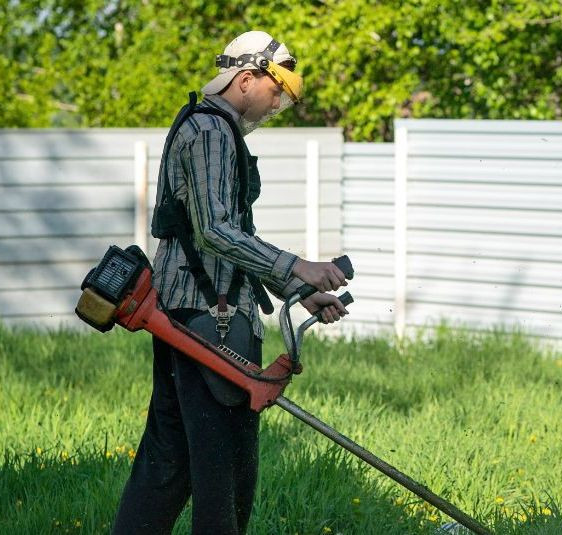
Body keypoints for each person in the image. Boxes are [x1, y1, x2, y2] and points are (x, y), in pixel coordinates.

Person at [112, 30, 347, 535]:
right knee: (226, 475)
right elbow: (216, 231)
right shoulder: (212, 132)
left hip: (187, 314)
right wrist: (296, 266)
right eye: (276, 90)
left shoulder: (209, 130)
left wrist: (299, 291)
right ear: (246, 79)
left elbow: (234, 236)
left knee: (167, 466)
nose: (278, 103)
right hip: (209, 321)